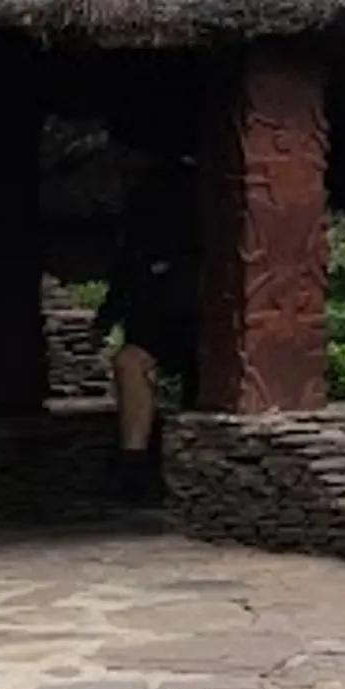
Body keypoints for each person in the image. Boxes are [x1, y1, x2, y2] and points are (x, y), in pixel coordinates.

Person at [95, 162, 197, 504]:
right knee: (129, 362)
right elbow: (127, 273)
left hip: (198, 319)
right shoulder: (140, 216)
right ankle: (134, 464)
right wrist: (104, 321)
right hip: (155, 323)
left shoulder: (188, 197)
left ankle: (150, 469)